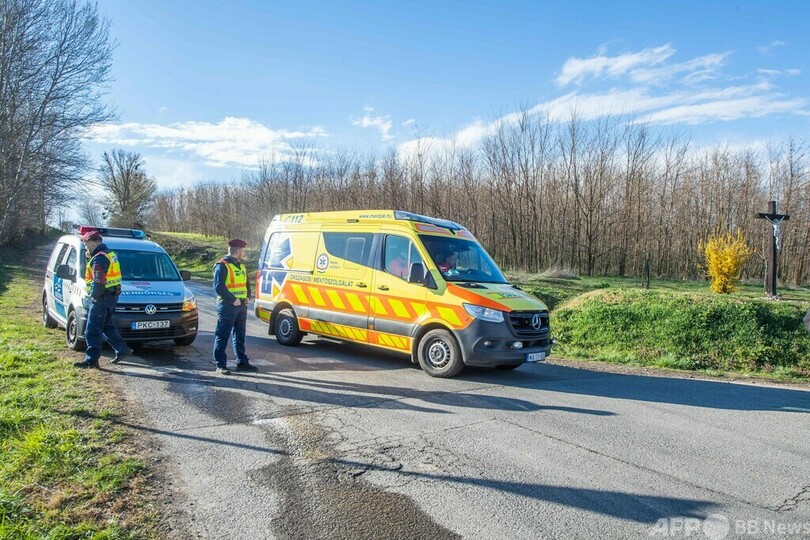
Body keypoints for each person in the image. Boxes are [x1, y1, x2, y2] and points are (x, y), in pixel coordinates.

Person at [73, 230, 132, 368]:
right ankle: (122, 349)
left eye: (86, 244)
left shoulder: (99, 258)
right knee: (106, 325)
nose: (86, 247)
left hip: (102, 298)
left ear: (93, 243)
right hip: (111, 296)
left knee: (92, 329)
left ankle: (91, 360)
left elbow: (99, 281)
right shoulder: (109, 254)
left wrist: (94, 298)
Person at [212, 239, 257, 374]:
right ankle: (220, 365)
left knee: (240, 335)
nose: (244, 253)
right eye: (243, 251)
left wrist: (248, 296)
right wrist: (233, 299)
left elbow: (246, 283)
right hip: (227, 306)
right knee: (222, 335)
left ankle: (242, 362)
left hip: (241, 306)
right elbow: (219, 287)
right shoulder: (222, 266)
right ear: (237, 251)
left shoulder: (241, 266)